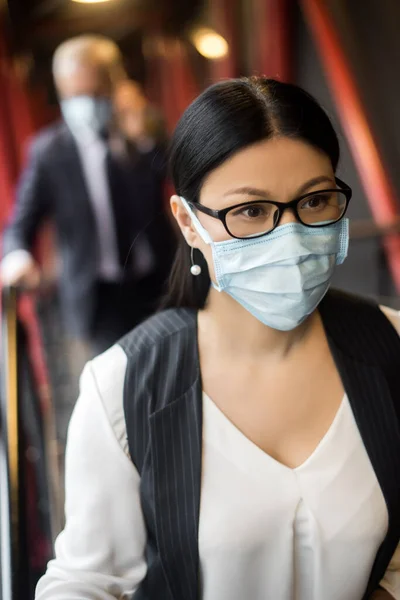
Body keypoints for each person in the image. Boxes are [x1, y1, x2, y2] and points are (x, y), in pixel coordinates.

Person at [36, 78, 400, 600]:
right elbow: (88, 583)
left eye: (316, 200)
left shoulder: (391, 345)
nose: (292, 235)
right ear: (187, 222)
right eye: (251, 211)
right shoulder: (121, 386)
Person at [1, 35, 176, 360]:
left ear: (114, 86)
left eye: (94, 93)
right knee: (118, 385)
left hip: (156, 284)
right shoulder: (47, 152)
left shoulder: (142, 134)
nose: (86, 103)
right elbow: (19, 225)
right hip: (96, 297)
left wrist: (145, 138)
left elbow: (180, 182)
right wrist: (17, 257)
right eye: (75, 95)